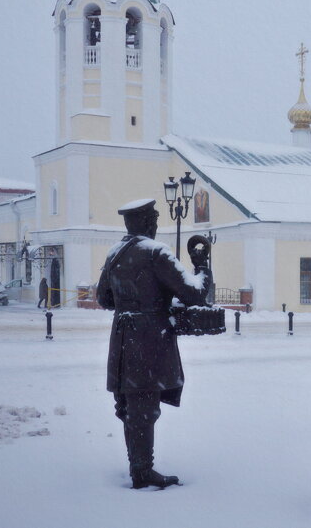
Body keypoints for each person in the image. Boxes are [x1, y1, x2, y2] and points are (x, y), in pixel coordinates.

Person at [96, 198, 213, 489]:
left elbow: (104, 298)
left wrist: (132, 301)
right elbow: (194, 294)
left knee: (131, 405)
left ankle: (138, 466)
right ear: (149, 223)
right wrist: (202, 265)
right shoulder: (155, 252)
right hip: (149, 340)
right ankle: (142, 471)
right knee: (144, 407)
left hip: (122, 338)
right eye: (156, 221)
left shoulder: (115, 253)